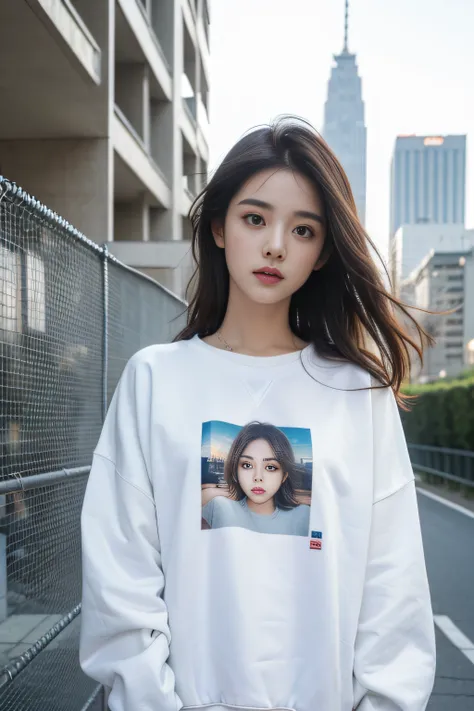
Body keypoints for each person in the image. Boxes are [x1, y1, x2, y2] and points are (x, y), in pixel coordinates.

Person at [79, 116, 436, 711]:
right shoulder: (154, 380)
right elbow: (121, 583)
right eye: (255, 218)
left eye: (303, 230)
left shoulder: (359, 394)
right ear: (219, 227)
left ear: (322, 254)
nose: (275, 244)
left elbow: (393, 592)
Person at [202, 421, 311, 535]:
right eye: (247, 465)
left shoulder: (303, 515)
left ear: (284, 476)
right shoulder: (219, 507)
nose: (258, 477)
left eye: (270, 467)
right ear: (235, 471)